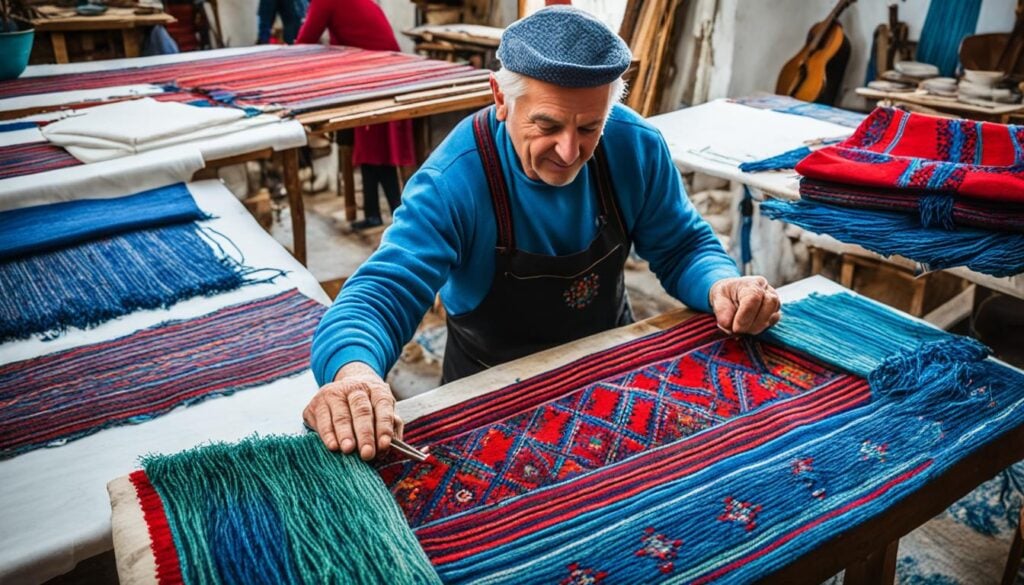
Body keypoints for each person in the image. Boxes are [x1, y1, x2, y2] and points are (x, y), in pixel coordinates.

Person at [304, 6, 782, 460]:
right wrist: (354, 372)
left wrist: (724, 284)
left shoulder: (635, 147)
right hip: (487, 394)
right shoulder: (455, 180)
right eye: (547, 125)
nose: (570, 151)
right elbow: (382, 292)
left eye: (589, 127)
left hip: (608, 373)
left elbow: (682, 246)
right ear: (500, 98)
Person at [295, 0, 416, 230]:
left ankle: (397, 215)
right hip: (379, 70)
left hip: (379, 75)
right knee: (371, 148)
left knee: (377, 149)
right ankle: (375, 214)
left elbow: (304, 42)